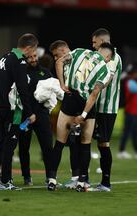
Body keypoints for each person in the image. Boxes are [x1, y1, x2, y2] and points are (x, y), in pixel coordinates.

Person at [47, 42, 114, 192]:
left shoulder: (80, 51)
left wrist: (63, 85)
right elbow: (95, 93)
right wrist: (83, 115)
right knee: (85, 144)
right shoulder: (105, 69)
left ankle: (51, 179)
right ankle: (82, 182)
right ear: (108, 56)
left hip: (70, 98)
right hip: (86, 105)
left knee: (59, 142)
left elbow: (58, 62)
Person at [0, 33, 37, 190]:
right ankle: (5, 181)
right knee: (9, 145)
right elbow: (23, 88)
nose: (32, 54)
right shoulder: (19, 60)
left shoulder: (4, 57)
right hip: (12, 110)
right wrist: (29, 112)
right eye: (33, 50)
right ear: (29, 47)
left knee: (0, 144)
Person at [89, 28, 122, 191]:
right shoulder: (99, 56)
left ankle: (105, 183)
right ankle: (83, 178)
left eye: (95, 42)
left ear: (102, 41)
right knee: (87, 140)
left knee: (103, 144)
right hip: (96, 105)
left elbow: (105, 80)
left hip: (106, 108)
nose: (93, 45)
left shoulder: (113, 57)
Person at [49, 40, 81, 189]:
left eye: (56, 54)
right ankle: (52, 178)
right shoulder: (65, 63)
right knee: (60, 143)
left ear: (63, 50)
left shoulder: (78, 58)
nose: (56, 58)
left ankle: (77, 178)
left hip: (80, 107)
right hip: (68, 105)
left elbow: (59, 63)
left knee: (76, 143)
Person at [18, 48, 53, 185]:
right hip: (25, 116)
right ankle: (26, 177)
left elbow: (53, 91)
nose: (33, 59)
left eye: (35, 56)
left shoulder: (45, 72)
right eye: (30, 57)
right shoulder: (21, 73)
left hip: (42, 115)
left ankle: (50, 177)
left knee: (47, 147)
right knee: (23, 147)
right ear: (25, 59)